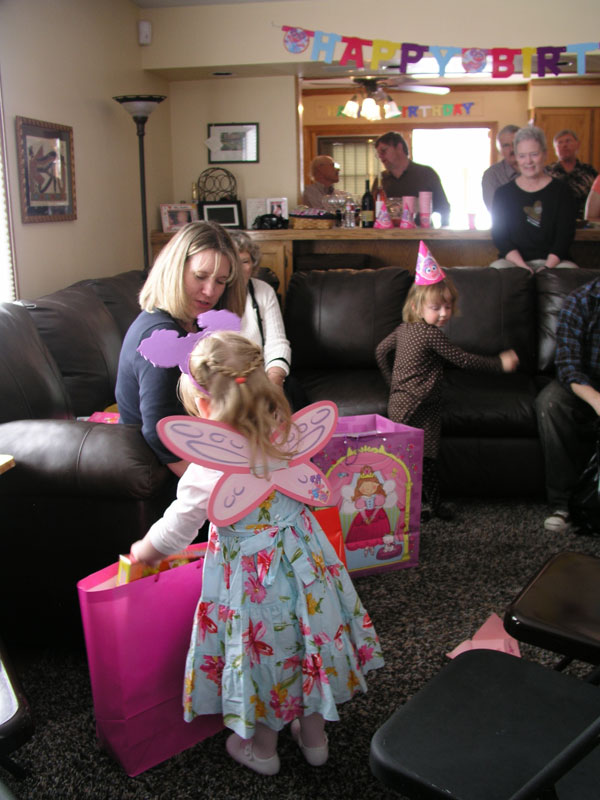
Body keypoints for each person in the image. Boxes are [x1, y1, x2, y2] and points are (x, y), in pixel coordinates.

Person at [129, 330, 384, 776]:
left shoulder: (208, 468)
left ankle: (262, 751)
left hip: (256, 588)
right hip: (309, 572)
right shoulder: (288, 436)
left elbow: (177, 528)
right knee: (309, 644)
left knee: (267, 657)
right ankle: (315, 740)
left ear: (204, 405)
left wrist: (145, 549)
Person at [375, 243, 519, 520]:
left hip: (407, 404)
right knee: (421, 458)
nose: (443, 313)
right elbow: (462, 360)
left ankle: (426, 505)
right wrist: (499, 364)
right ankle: (418, 507)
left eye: (448, 306)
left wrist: (392, 384)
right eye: (435, 307)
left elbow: (380, 351)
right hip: (418, 406)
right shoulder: (431, 335)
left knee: (413, 458)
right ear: (416, 307)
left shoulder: (403, 328)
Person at [115, 221, 246, 477]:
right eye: (200, 276)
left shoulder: (193, 324)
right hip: (164, 466)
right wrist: (214, 487)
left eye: (220, 281)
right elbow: (160, 432)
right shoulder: (162, 338)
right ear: (175, 270)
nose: (210, 291)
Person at [535, 276, 600, 533]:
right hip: (583, 384)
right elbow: (568, 365)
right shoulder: (580, 300)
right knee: (550, 403)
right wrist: (596, 400)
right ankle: (563, 505)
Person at [230, 230, 308, 410]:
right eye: (233, 262)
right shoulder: (210, 295)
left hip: (262, 375)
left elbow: (277, 342)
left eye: (245, 261)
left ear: (253, 264)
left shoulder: (264, 291)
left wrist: (275, 381)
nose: (239, 269)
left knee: (292, 391)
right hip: (225, 379)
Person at [491, 126, 578, 273]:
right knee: (497, 269)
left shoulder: (563, 191)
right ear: (516, 157)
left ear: (545, 154)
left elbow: (564, 237)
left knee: (570, 272)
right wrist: (523, 267)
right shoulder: (503, 194)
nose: (528, 161)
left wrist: (546, 267)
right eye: (522, 156)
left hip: (554, 262)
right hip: (514, 262)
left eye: (534, 154)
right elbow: (500, 237)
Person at [373, 132, 450, 226]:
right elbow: (372, 212)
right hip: (386, 234)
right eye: (378, 154)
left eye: (383, 151)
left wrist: (443, 232)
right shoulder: (381, 180)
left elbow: (444, 208)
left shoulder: (426, 174)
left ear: (399, 148)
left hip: (421, 233)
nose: (380, 156)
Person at [547, 129, 598, 220]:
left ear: (577, 144)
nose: (564, 145)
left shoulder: (590, 171)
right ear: (555, 149)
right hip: (554, 222)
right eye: (560, 142)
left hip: (583, 223)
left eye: (568, 141)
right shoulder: (547, 172)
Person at [481, 124, 520, 211]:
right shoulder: (492, 175)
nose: (512, 149)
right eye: (506, 145)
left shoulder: (536, 171)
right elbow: (496, 210)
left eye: (515, 143)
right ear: (500, 150)